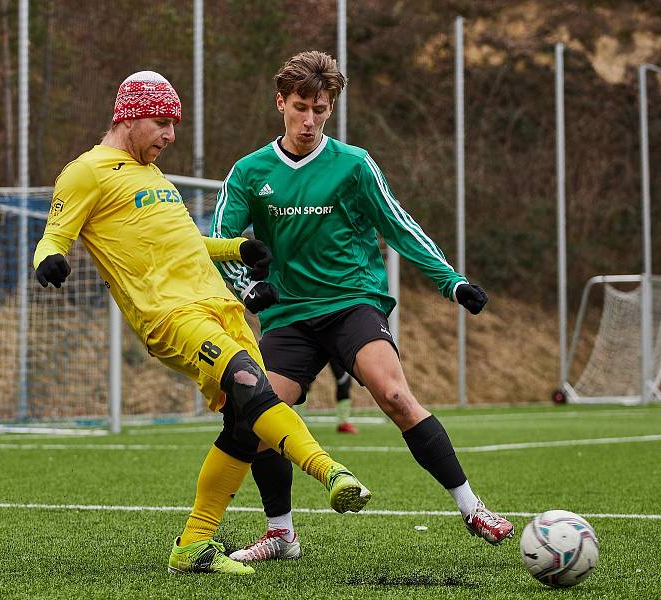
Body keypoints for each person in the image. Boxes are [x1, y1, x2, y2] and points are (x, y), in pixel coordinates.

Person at [32, 70, 371, 575]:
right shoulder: (87, 171)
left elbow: (187, 243)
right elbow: (54, 234)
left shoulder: (151, 173)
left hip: (220, 307)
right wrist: (50, 260)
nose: (170, 136)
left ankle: (193, 546)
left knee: (244, 423)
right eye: (163, 123)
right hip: (170, 315)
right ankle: (332, 472)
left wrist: (237, 248)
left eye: (175, 124)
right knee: (248, 384)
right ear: (130, 116)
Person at [211, 51, 514, 563]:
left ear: (331, 109)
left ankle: (472, 507)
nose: (310, 120)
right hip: (288, 315)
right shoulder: (248, 172)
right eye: (301, 107)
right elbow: (219, 239)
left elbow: (400, 225)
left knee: (395, 395)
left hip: (353, 301)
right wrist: (248, 288)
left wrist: (452, 282)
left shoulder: (354, 165)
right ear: (280, 102)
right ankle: (281, 535)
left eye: (321, 110)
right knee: (257, 417)